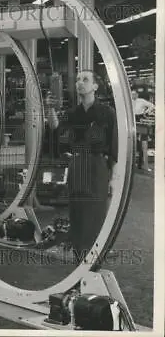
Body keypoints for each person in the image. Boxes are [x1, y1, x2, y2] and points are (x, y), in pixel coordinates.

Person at [46, 70, 118, 263]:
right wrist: (50, 108)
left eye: (85, 79)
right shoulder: (73, 114)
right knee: (77, 212)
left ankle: (94, 257)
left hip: (97, 165)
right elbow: (55, 128)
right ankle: (79, 258)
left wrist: (114, 177)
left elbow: (114, 146)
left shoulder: (107, 113)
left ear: (95, 86)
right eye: (77, 79)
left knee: (95, 213)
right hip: (77, 164)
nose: (80, 83)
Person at [131, 89, 154, 171]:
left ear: (137, 94)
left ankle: (146, 165)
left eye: (134, 94)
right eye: (132, 94)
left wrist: (146, 112)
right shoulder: (129, 101)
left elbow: (152, 105)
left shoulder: (141, 101)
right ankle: (137, 164)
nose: (133, 95)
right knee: (134, 144)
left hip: (141, 121)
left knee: (144, 144)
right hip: (133, 121)